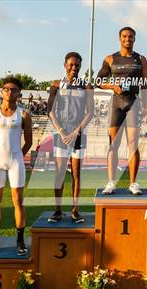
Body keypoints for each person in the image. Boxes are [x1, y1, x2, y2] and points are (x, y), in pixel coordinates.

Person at [0, 77, 32, 255]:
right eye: (7, 89)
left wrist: (17, 156)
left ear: (19, 94)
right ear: (1, 91)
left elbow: (29, 142)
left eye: (14, 89)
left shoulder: (24, 115)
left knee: (18, 200)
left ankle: (20, 241)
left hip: (16, 160)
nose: (10, 92)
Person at [96, 26, 147, 195]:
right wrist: (112, 85)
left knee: (133, 144)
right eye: (125, 36)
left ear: (134, 39)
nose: (128, 39)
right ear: (120, 38)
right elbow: (98, 80)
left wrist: (146, 106)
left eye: (131, 36)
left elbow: (145, 85)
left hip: (133, 103)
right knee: (114, 144)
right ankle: (111, 182)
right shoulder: (110, 59)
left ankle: (133, 183)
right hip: (116, 104)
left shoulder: (141, 59)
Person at [47, 52, 94, 223]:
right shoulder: (56, 84)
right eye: (71, 64)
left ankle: (75, 210)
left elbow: (91, 112)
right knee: (59, 173)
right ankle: (58, 210)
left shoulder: (86, 86)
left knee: (76, 173)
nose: (74, 68)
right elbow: (50, 111)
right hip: (61, 133)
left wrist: (75, 132)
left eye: (77, 65)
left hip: (78, 133)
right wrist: (61, 131)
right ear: (65, 64)